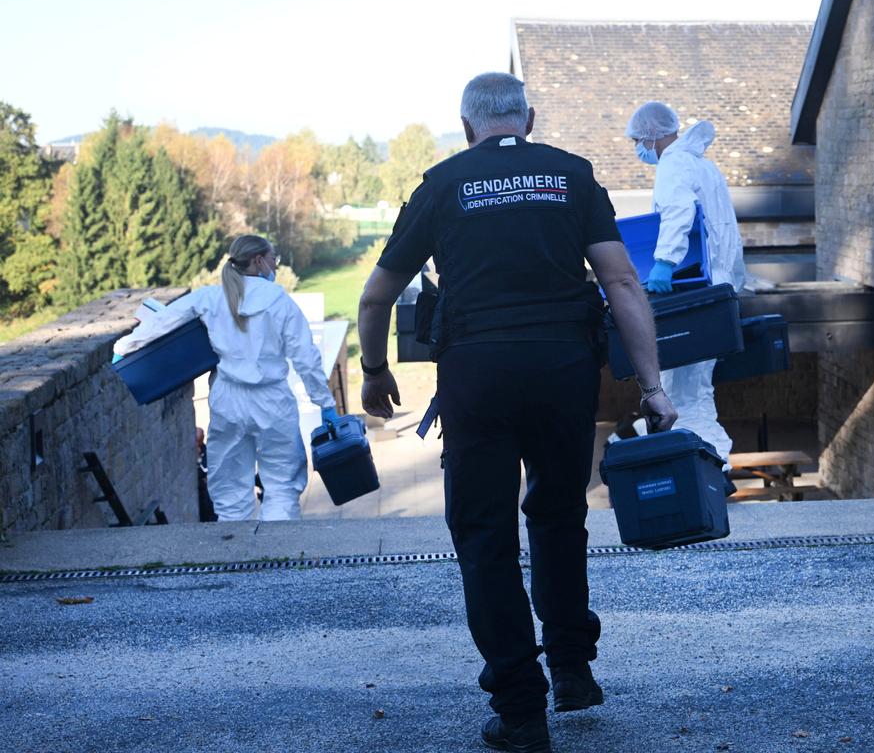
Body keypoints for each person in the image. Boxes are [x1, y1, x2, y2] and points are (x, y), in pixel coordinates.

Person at [356, 72, 677, 753]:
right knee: (560, 515)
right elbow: (620, 279)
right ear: (527, 118)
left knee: (485, 535)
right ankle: (572, 669)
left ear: (467, 125)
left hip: (478, 378)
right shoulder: (571, 175)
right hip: (563, 371)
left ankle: (522, 710)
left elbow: (378, 293)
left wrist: (376, 371)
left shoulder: (442, 183)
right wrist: (652, 385)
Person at [113, 235, 339, 521]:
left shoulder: (210, 296)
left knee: (230, 492)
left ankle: (235, 557)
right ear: (258, 260)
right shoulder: (277, 300)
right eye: (273, 259)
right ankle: (280, 556)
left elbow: (163, 321)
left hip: (227, 398)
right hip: (272, 401)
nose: (275, 266)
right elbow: (305, 356)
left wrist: (123, 348)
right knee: (281, 486)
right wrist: (325, 403)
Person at [625, 101, 747, 465]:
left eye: (637, 140)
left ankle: (697, 468)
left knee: (677, 391)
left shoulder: (674, 165)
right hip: (717, 294)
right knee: (698, 390)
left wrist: (663, 263)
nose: (638, 149)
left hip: (696, 296)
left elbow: (679, 213)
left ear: (651, 136)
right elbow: (726, 235)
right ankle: (712, 463)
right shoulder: (704, 166)